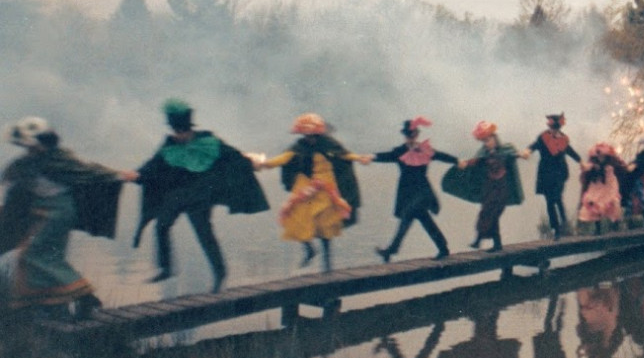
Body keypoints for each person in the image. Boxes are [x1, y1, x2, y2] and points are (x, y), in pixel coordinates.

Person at [0, 117, 135, 317]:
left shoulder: (58, 159)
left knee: (34, 255)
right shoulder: (28, 163)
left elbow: (87, 171)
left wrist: (119, 175)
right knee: (38, 258)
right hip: (45, 215)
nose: (29, 148)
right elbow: (13, 187)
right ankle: (53, 306)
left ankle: (85, 295)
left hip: (57, 215)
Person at [134, 99, 268, 291]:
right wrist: (138, 174)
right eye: (177, 132)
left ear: (189, 129)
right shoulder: (169, 145)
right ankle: (166, 267)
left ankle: (220, 272)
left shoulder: (209, 142)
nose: (180, 136)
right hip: (177, 195)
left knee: (204, 233)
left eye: (183, 132)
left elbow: (234, 156)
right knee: (162, 225)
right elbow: (153, 164)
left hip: (201, 196)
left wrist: (252, 163)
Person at [254, 113, 366, 272]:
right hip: (306, 188)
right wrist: (262, 163)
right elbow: (282, 159)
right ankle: (309, 249)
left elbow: (345, 155)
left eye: (312, 135)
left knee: (325, 226)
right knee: (294, 217)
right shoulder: (298, 147)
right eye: (306, 135)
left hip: (326, 189)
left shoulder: (329, 144)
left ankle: (327, 266)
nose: (309, 139)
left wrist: (359, 158)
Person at [368, 117, 457, 262]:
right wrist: (371, 157)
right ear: (405, 136)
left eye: (413, 135)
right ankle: (442, 247)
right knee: (421, 219)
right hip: (407, 192)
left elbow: (440, 156)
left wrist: (457, 160)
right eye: (408, 135)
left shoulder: (425, 150)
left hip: (422, 191)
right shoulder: (400, 151)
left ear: (417, 135)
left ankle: (391, 250)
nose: (410, 138)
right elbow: (386, 156)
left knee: (408, 216)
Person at [441, 121, 523, 252]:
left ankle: (482, 240)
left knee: (494, 214)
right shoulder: (483, 153)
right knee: (485, 212)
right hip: (489, 188)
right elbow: (475, 162)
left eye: (488, 139)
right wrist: (464, 164)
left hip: (502, 188)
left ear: (494, 138)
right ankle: (491, 242)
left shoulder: (505, 150)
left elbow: (513, 154)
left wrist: (521, 154)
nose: (487, 143)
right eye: (484, 141)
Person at [522, 113, 581, 240]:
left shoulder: (564, 139)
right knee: (549, 202)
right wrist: (527, 151)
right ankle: (556, 229)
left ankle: (564, 222)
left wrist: (581, 161)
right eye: (550, 127)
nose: (551, 130)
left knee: (557, 198)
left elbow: (570, 151)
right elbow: (534, 145)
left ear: (558, 127)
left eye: (553, 128)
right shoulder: (543, 137)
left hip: (560, 172)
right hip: (546, 173)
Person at [577, 142, 628, 235]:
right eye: (599, 156)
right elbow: (586, 167)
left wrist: (623, 164)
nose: (601, 158)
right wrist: (583, 166)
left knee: (612, 203)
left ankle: (615, 224)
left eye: (603, 156)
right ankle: (598, 229)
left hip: (609, 187)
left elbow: (621, 168)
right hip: (597, 187)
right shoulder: (593, 165)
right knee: (595, 205)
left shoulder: (611, 164)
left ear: (606, 156)